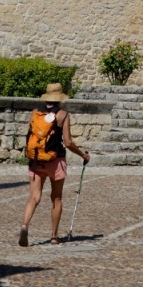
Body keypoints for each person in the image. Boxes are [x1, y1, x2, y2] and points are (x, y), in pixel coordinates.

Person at [19, 83, 89, 247]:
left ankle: (25, 225)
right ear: (59, 98)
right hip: (55, 161)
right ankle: (54, 237)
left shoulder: (35, 112)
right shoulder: (62, 115)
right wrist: (83, 155)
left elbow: (30, 135)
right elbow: (68, 142)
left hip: (36, 160)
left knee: (34, 197)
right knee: (56, 198)